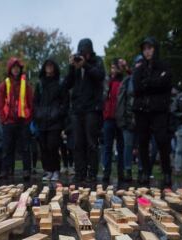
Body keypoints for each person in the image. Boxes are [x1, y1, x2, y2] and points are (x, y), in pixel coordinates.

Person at [133, 37, 174, 188]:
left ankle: (166, 172)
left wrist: (149, 83)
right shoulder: (139, 67)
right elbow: (137, 87)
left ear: (155, 49)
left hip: (159, 110)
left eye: (150, 48)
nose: (147, 51)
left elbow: (166, 83)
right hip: (142, 110)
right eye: (145, 49)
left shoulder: (164, 66)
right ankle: (144, 171)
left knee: (162, 141)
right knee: (142, 142)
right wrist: (155, 83)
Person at [64, 38, 105, 183]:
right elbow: (66, 85)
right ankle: (80, 172)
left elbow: (100, 76)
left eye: (85, 51)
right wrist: (71, 67)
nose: (83, 55)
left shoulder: (97, 61)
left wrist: (85, 65)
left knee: (91, 142)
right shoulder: (75, 66)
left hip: (92, 109)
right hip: (77, 109)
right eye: (81, 52)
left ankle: (92, 173)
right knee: (77, 142)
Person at [0, 57, 34, 181]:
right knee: (7, 148)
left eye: (18, 68)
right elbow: (0, 103)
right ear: (10, 69)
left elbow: (31, 102)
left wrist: (29, 118)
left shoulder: (26, 85)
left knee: (25, 148)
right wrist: (3, 119)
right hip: (9, 121)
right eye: (14, 67)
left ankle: (26, 171)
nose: (16, 70)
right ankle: (5, 170)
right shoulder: (4, 85)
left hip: (23, 121)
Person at [33, 59, 67, 182]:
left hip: (55, 121)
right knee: (43, 146)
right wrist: (37, 114)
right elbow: (35, 102)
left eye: (51, 65)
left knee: (53, 145)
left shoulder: (60, 83)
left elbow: (65, 102)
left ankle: (55, 169)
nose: (49, 68)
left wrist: (58, 114)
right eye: (47, 65)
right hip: (42, 120)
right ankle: (47, 170)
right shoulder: (40, 84)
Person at [115, 56, 143, 182]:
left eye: (141, 63)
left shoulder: (147, 80)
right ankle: (128, 171)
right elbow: (121, 101)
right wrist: (122, 119)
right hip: (128, 119)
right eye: (137, 63)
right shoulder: (127, 81)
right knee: (128, 146)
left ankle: (142, 171)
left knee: (142, 146)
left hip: (142, 119)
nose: (139, 66)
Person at [102, 61, 124, 183]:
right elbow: (103, 97)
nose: (113, 70)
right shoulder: (107, 82)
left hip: (119, 118)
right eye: (112, 67)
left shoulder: (123, 81)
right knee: (107, 147)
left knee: (121, 147)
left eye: (115, 68)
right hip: (108, 118)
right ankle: (106, 172)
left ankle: (121, 173)